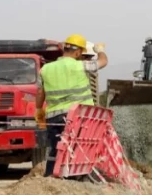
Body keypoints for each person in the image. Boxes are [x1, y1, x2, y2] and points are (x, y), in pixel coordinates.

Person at [35, 34, 108, 177]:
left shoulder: (45, 69)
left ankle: (51, 176)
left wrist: (39, 113)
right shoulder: (80, 66)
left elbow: (40, 94)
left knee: (56, 149)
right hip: (77, 117)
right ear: (78, 52)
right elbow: (103, 61)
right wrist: (99, 49)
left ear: (64, 48)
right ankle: (75, 178)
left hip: (53, 117)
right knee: (78, 148)